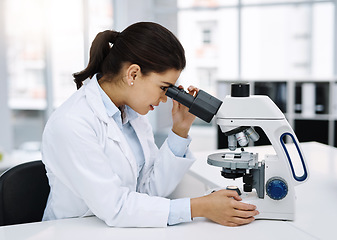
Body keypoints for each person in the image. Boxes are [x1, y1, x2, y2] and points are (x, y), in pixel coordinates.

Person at [41, 22, 259, 228]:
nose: (165, 98)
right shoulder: (72, 123)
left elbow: (149, 191)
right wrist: (199, 207)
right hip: (72, 232)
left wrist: (180, 131)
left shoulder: (131, 115)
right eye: (164, 87)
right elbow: (115, 207)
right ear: (133, 73)